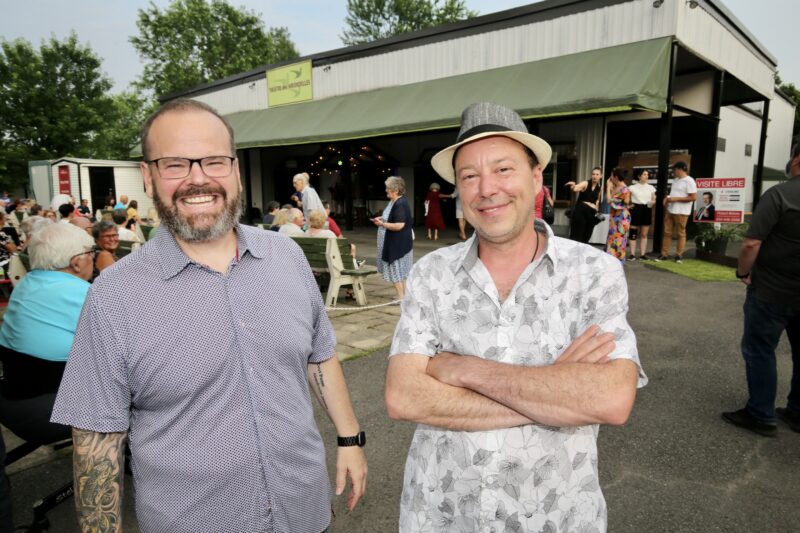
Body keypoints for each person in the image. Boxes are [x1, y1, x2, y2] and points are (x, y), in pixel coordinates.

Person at [51, 99, 366, 532]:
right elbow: (95, 443)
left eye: (214, 161)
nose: (198, 178)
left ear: (235, 170)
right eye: (175, 164)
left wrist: (349, 438)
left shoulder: (286, 258)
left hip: (304, 512)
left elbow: (320, 353)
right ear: (148, 177)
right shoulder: (114, 296)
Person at [385, 102, 645, 532]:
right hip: (442, 515)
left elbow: (611, 400)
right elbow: (404, 397)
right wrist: (555, 390)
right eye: (469, 175)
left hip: (554, 516)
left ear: (536, 177)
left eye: (504, 169)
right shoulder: (431, 274)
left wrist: (462, 368)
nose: (487, 188)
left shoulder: (594, 272)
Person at [722, 142, 800, 436]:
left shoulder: (780, 194)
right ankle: (797, 412)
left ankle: (761, 414)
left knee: (760, 350)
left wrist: (743, 272)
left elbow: (751, 242)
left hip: (771, 290)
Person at [0, 223, 94, 446]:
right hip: (52, 410)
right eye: (91, 252)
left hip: (14, 398)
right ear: (76, 262)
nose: (93, 257)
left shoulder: (27, 284)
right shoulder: (84, 295)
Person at [371, 176, 413, 299]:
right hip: (397, 242)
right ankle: (404, 296)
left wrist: (382, 224)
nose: (386, 190)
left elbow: (399, 225)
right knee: (400, 271)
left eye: (388, 188)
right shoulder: (395, 201)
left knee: (396, 269)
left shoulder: (399, 203)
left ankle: (401, 297)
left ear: (395, 190)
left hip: (397, 244)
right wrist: (382, 219)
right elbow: (393, 218)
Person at [656, 161, 696, 263]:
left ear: (680, 169)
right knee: (667, 233)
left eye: (675, 169)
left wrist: (675, 199)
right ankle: (664, 254)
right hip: (671, 210)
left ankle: (679, 256)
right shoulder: (676, 180)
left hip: (682, 211)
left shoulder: (689, 181)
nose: (673, 172)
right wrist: (667, 198)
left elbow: (693, 197)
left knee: (680, 234)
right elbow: (673, 194)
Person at [565, 167, 603, 243]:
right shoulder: (586, 183)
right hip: (580, 213)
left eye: (597, 174)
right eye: (593, 174)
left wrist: (596, 210)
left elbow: (597, 201)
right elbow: (576, 188)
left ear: (601, 176)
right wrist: (573, 186)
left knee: (586, 237)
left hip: (591, 215)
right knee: (577, 237)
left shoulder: (600, 187)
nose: (594, 176)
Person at [628, 169, 656, 260]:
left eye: (647, 174)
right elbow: (627, 199)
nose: (647, 176)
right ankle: (632, 254)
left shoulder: (651, 187)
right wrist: (628, 205)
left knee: (644, 234)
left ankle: (642, 254)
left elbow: (654, 199)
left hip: (646, 209)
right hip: (635, 209)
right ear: (639, 176)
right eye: (644, 174)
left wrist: (652, 202)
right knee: (633, 233)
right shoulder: (632, 187)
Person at [606, 167, 631, 264]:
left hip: (621, 218)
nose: (610, 178)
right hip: (615, 216)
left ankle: (616, 262)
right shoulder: (617, 187)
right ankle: (611, 260)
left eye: (612, 176)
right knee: (612, 238)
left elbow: (609, 201)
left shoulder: (624, 190)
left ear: (615, 177)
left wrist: (608, 187)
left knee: (618, 239)